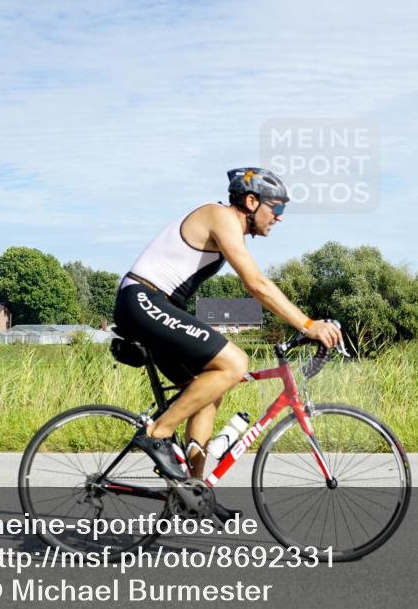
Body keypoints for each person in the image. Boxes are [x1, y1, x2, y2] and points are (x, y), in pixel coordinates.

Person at [113, 168, 343, 486]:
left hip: (152, 305)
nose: (279, 217)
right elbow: (256, 283)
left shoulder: (226, 225)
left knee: (208, 389)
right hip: (141, 300)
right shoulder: (219, 216)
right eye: (277, 208)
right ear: (251, 202)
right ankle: (157, 433)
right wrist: (307, 325)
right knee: (235, 363)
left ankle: (193, 490)